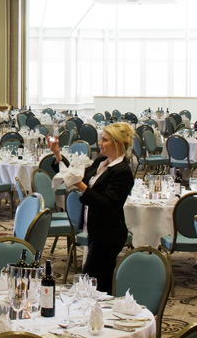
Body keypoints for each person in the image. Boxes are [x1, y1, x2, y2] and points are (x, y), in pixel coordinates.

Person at [49, 121, 135, 291]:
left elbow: (107, 204)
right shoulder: (102, 162)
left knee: (90, 282)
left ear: (118, 144)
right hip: (95, 230)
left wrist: (80, 186)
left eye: (105, 140)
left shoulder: (122, 172)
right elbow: (75, 173)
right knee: (102, 283)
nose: (100, 144)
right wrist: (57, 154)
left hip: (109, 235)